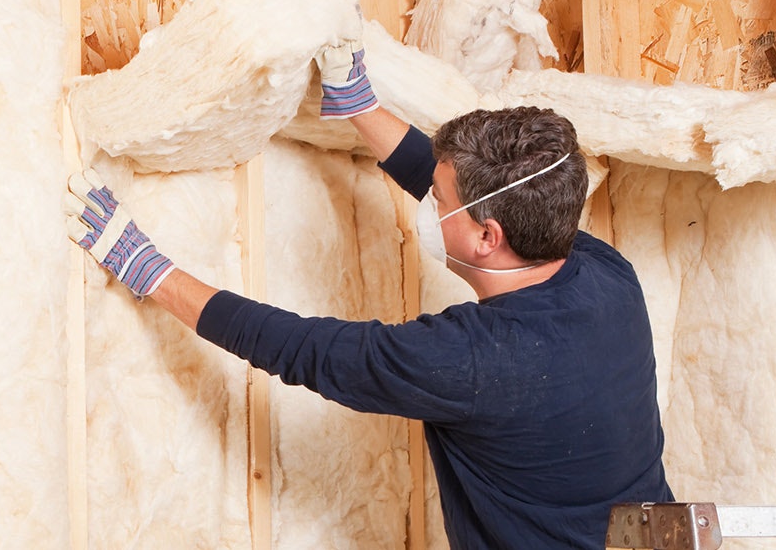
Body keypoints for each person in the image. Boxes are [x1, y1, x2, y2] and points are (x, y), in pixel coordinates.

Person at [64, 31, 674, 549]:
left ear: (488, 237)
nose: (432, 205)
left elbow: (303, 348)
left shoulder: (472, 359)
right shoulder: (602, 272)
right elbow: (462, 191)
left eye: (441, 202)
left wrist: (149, 270)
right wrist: (357, 104)